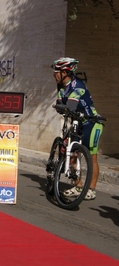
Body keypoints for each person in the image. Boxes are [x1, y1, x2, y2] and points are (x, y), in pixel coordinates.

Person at [51, 57, 104, 200]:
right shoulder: (61, 86)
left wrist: (62, 106)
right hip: (77, 123)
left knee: (92, 157)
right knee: (73, 155)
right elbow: (59, 104)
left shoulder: (78, 86)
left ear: (65, 72)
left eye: (56, 72)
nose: (54, 74)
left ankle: (91, 189)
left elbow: (70, 107)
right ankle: (78, 185)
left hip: (91, 123)